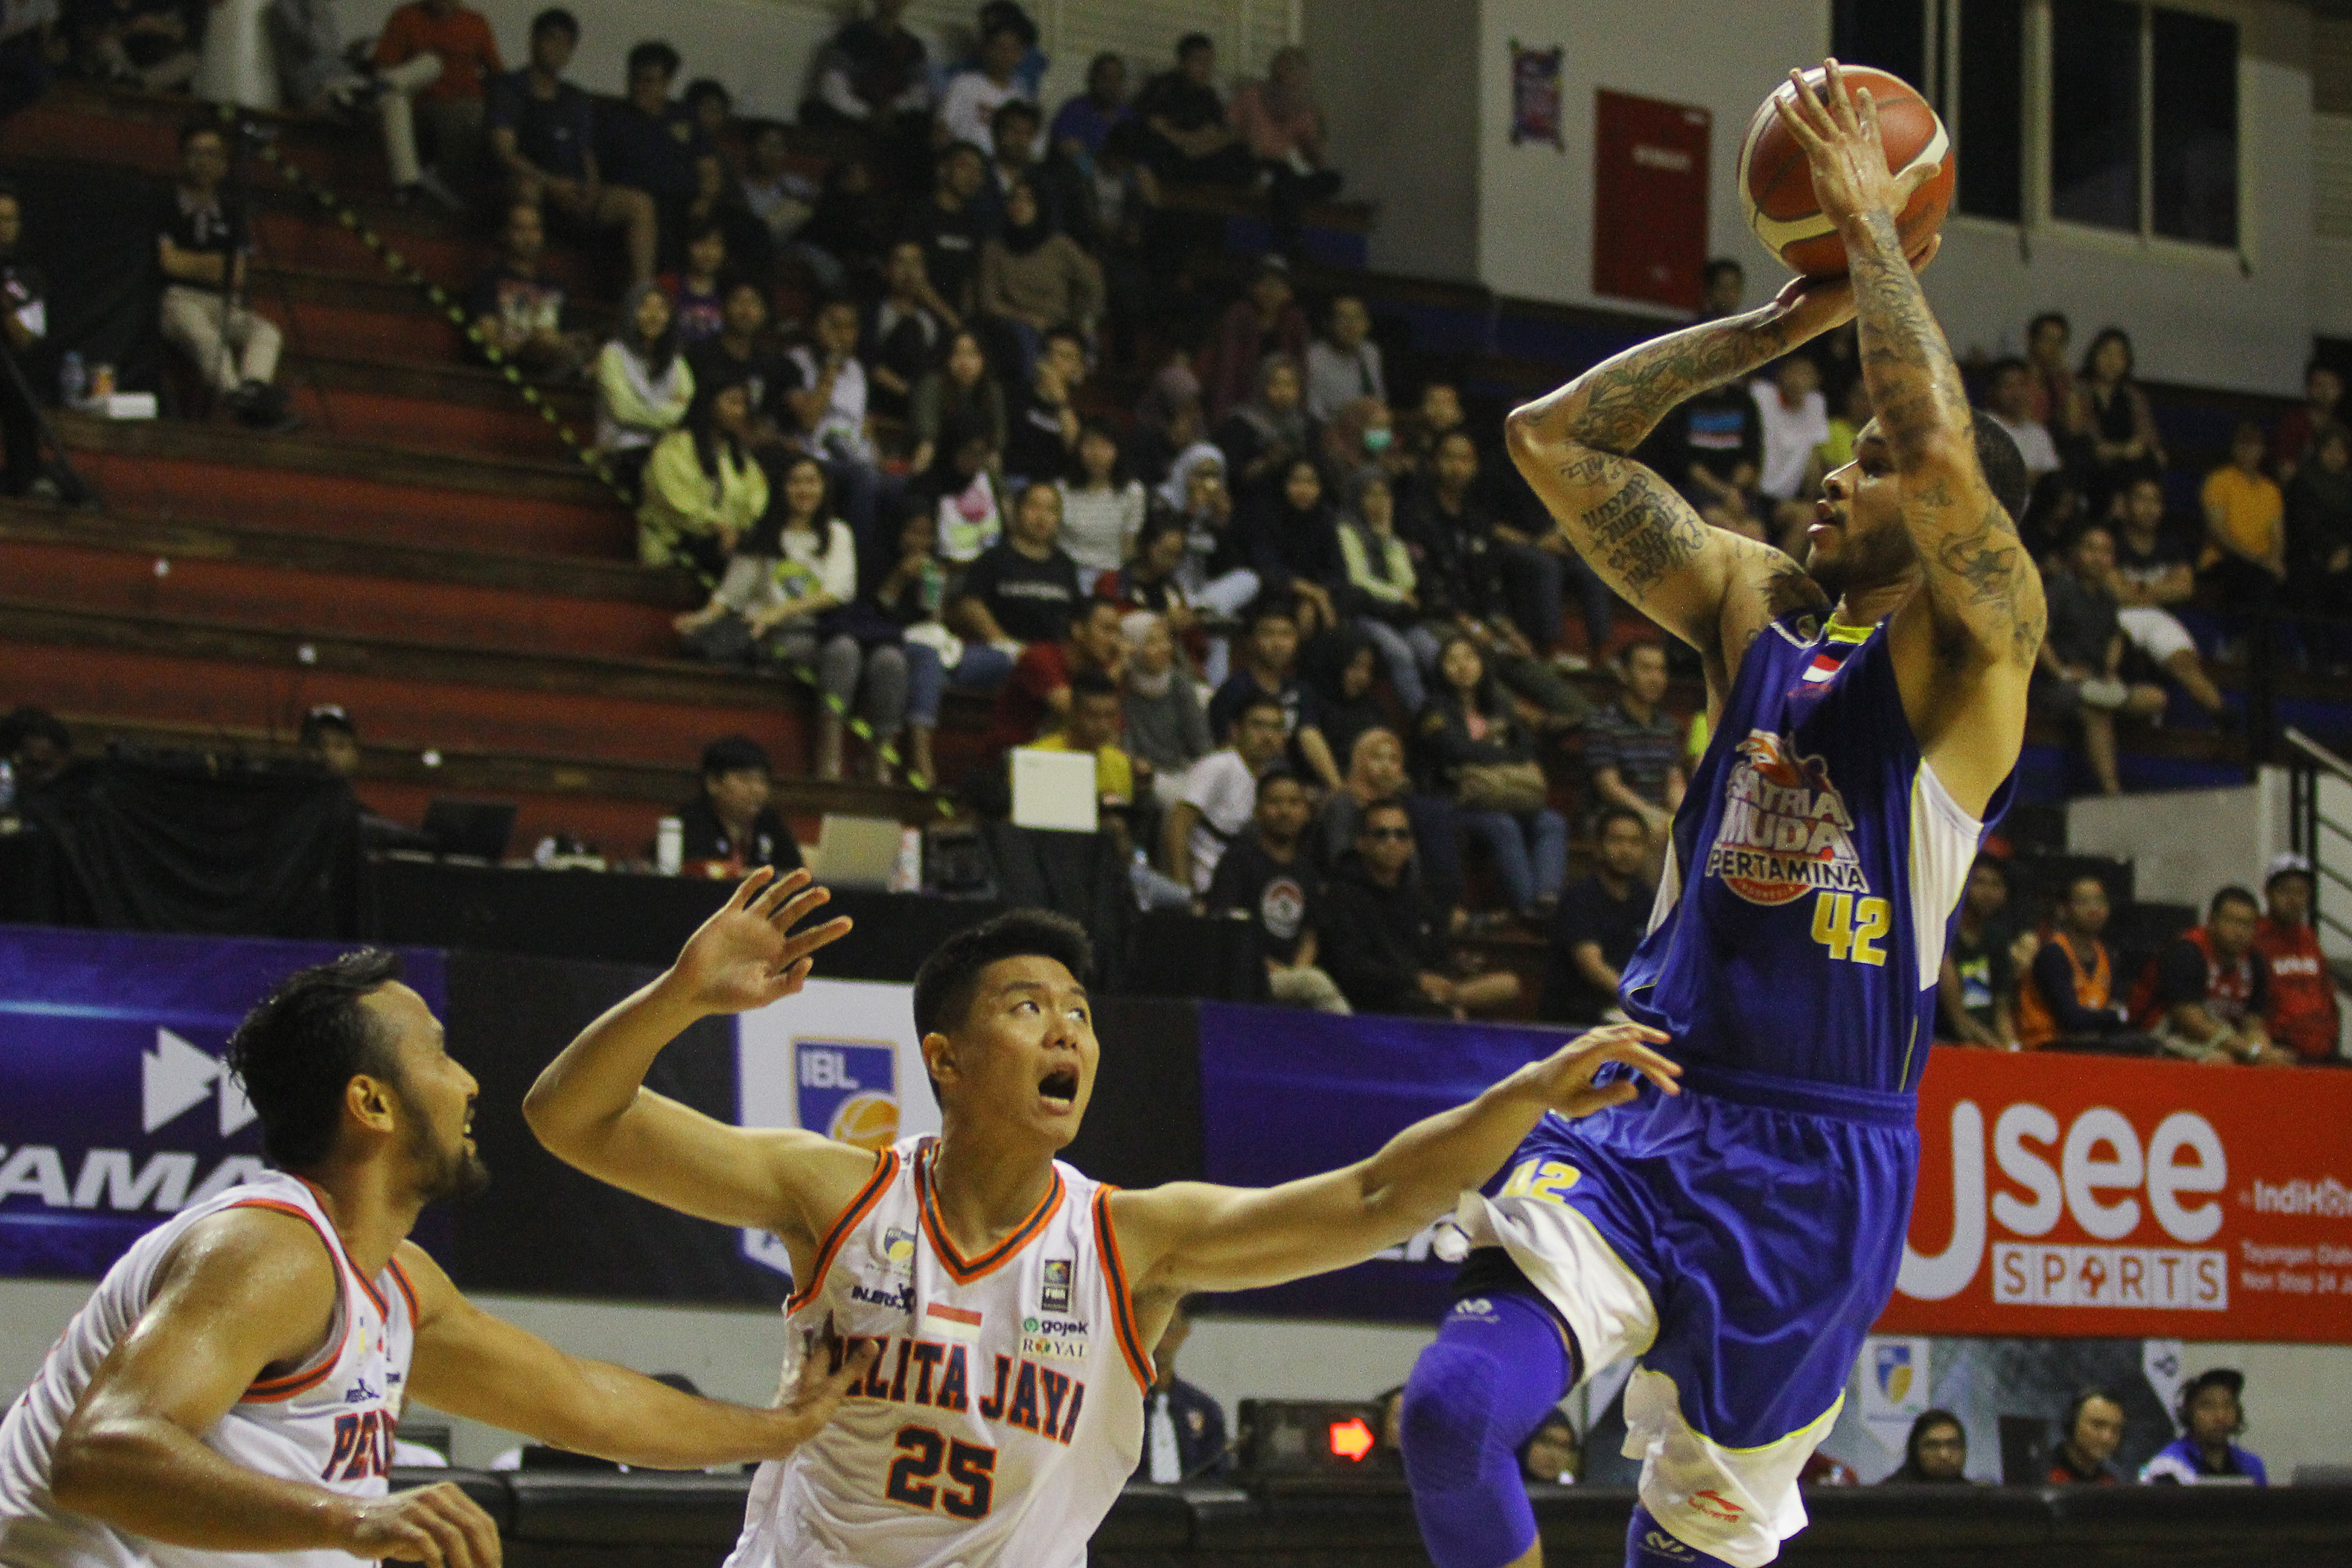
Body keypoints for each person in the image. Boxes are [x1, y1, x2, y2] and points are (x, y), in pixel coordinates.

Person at [1404, 63, 2046, 1568]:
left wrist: (1870, 230)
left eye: (1870, 462)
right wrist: (1778, 321)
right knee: (1446, 1414)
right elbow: (1549, 442)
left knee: (1692, 1544)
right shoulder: (1758, 606)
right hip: (1646, 1093)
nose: (1837, 470)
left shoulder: (1980, 650)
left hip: (1824, 1158)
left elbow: (1946, 452)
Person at [522, 882, 1676, 1565]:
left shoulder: (1133, 1239)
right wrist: (680, 993)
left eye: (1078, 1012)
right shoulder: (832, 1192)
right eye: (1028, 1008)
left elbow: (1374, 1197)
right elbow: (570, 1118)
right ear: (947, 1060)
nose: (1067, 1030)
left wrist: (1516, 1096)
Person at [0, 947, 870, 1568]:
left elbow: (583, 1402)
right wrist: (358, 1518)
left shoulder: (393, 1282)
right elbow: (103, 1453)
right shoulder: (269, 1247)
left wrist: (777, 1428)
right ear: (372, 1101)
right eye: (440, 1053)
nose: (470, 1081)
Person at [487, 8, 657, 286]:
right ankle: (525, 282)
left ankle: (641, 296)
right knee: (526, 186)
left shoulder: (576, 98)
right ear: (533, 41)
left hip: (574, 194)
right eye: (551, 39)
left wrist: (590, 187)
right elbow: (504, 151)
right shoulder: (509, 88)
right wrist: (551, 184)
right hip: (532, 189)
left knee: (640, 203)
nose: (558, 49)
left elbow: (586, 153)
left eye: (566, 44)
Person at [1318, 798, 1520, 1019]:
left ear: (1411, 845)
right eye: (1381, 834)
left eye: (1401, 835)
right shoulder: (1343, 896)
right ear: (1361, 842)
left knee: (1508, 985)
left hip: (1423, 992)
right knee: (1442, 1013)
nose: (1392, 842)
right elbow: (1353, 969)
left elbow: (1436, 956)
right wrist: (1417, 981)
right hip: (1374, 1000)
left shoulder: (1419, 898)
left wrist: (1444, 979)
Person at [157, 122, 293, 433]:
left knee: (267, 332)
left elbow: (237, 275)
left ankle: (253, 390)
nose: (204, 161)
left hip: (223, 301)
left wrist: (195, 262)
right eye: (196, 153)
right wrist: (216, 264)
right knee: (204, 336)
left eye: (213, 154)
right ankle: (237, 398)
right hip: (179, 298)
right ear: (182, 158)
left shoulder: (232, 214)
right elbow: (170, 264)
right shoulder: (165, 204)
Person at [1421, 636, 1567, 924]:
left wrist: (1486, 754)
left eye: (1470, 658)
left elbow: (1525, 748)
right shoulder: (1434, 709)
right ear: (1441, 669)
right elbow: (1454, 752)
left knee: (1552, 822)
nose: (1462, 666)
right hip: (1459, 799)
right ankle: (1528, 908)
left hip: (1505, 794)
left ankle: (1547, 898)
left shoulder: (1497, 706)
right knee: (1504, 825)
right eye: (1453, 659)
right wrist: (1500, 752)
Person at [2036, 523, 2168, 796]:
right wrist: (2062, 672)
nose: (2098, 557)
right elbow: (2038, 639)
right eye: (2091, 548)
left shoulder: (2108, 598)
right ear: (2077, 553)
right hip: (2055, 686)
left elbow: (2114, 638)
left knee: (2154, 698)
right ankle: (2112, 791)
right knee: (2097, 712)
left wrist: (2110, 670)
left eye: (2106, 551)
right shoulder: (2060, 589)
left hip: (2096, 681)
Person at [1205, 767, 1348, 1012]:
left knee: (1311, 981)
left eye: (1294, 803)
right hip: (1246, 976)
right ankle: (1355, 1048)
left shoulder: (1307, 869)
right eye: (1275, 802)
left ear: (1307, 812)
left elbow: (1310, 934)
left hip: (1293, 975)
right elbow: (1229, 931)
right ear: (1257, 810)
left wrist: (1296, 974)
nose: (1284, 811)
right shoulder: (1238, 861)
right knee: (1315, 983)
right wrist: (1277, 971)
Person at [2107, 478, 2229, 721]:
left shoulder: (2171, 544)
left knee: (2185, 662)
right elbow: (2115, 592)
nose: (2149, 508)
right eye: (2142, 499)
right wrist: (2160, 588)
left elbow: (2185, 588)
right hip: (2117, 616)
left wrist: (2138, 590)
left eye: (2155, 501)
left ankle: (2224, 719)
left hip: (2158, 617)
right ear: (2126, 504)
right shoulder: (2113, 540)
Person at [2141, 886, 2298, 1066]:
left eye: (2247, 925)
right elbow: (2191, 1023)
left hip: (2223, 1039)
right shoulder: (2187, 953)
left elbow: (2253, 1023)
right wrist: (2251, 1052)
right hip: (2164, 1035)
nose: (2240, 932)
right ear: (2212, 921)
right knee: (2220, 1063)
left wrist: (2263, 1051)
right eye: (2232, 922)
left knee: (2276, 1065)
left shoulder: (2255, 961)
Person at [597, 41, 721, 266]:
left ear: (667, 83)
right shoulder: (612, 118)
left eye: (650, 81)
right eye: (636, 79)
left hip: (687, 207)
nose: (641, 87)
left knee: (744, 227)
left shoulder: (685, 118)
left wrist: (705, 200)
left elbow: (709, 170)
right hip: (642, 204)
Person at [367, 0, 499, 210]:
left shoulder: (476, 23)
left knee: (476, 118)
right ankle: (424, 185)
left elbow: (498, 76)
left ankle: (449, 189)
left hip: (470, 104)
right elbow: (384, 66)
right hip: (422, 106)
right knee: (429, 66)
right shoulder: (406, 17)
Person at [637, 372, 764, 577]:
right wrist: (719, 527)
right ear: (709, 403)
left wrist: (739, 532)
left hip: (727, 543)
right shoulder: (674, 448)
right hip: (677, 543)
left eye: (743, 404)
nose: (740, 411)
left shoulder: (739, 457)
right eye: (732, 402)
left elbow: (756, 501)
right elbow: (676, 502)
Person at [1207, 600, 1341, 790]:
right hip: (1246, 782)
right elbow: (1225, 749)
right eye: (1268, 634)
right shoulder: (1235, 689)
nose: (1278, 643)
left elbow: (1309, 736)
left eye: (1286, 635)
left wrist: (1338, 788)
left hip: (1289, 781)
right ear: (1251, 641)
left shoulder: (1298, 690)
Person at [978, 180, 1104, 382]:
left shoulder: (1060, 245)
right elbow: (989, 302)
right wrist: (1029, 318)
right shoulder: (994, 249)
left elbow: (1093, 283)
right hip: (1019, 325)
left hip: (1061, 323)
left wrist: (1085, 319)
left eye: (1028, 200)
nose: (1020, 205)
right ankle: (1031, 393)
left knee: (1080, 340)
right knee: (1023, 336)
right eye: (1015, 199)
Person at [1539, 807, 1652, 1025]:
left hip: (1624, 1012)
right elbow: (1593, 967)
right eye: (1617, 841)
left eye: (1635, 843)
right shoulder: (1580, 898)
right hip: (1574, 1018)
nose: (1626, 850)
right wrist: (1638, 1001)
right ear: (1598, 848)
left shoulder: (1645, 897)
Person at [1167, 691, 1288, 894]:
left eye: (1275, 728)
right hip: (1207, 888)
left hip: (1247, 889)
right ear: (1235, 730)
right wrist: (1185, 895)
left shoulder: (1274, 778)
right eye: (1258, 726)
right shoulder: (1219, 766)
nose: (1267, 736)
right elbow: (1177, 829)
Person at [954, 480, 1084, 667]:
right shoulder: (994, 559)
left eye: (1051, 510)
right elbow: (970, 604)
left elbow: (1077, 616)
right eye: (1034, 507)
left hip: (1052, 660)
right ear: (1017, 512)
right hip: (1001, 655)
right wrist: (1005, 644)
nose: (1042, 517)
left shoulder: (1065, 565)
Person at [1339, 470, 1438, 713]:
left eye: (1384, 496)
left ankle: (1453, 715)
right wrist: (1397, 595)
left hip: (1397, 614)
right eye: (1371, 496)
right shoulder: (1346, 530)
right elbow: (1358, 579)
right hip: (1363, 612)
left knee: (1433, 652)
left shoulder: (1390, 534)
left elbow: (1407, 583)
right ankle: (1423, 717)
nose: (1379, 502)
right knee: (1399, 652)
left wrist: (1387, 539)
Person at [982, 593, 1125, 758]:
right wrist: (1116, 671)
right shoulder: (1041, 657)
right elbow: (1075, 711)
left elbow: (1112, 730)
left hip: (1068, 761)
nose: (1115, 641)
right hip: (1014, 759)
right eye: (1107, 630)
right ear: (1077, 629)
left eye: (1118, 633)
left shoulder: (1102, 670)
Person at [2016, 873, 2142, 1051]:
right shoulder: (2053, 955)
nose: (2094, 909)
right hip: (2047, 1046)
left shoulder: (2108, 955)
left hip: (2090, 1043)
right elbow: (2071, 1019)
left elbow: (2121, 1008)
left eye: (2100, 902)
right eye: (2083, 902)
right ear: (2063, 909)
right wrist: (2112, 1017)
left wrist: (2112, 1017)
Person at [467, 200, 590, 379]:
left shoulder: (555, 287)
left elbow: (569, 337)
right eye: (520, 229)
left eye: (534, 229)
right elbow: (488, 338)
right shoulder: (489, 282)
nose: (529, 236)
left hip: (555, 372)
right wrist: (529, 345)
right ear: (505, 234)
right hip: (509, 374)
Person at [597, 282, 693, 496]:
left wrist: (649, 416)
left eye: (661, 309)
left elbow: (685, 411)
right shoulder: (613, 354)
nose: (654, 316)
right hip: (621, 450)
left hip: (668, 452)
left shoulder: (677, 363)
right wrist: (666, 417)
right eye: (645, 307)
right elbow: (623, 412)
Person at [1583, 643, 1684, 847]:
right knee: (1658, 832)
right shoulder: (1603, 723)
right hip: (1612, 815)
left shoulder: (1668, 726)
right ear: (1624, 674)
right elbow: (1609, 787)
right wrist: (1653, 814)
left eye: (1661, 670)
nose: (1655, 678)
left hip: (1658, 814)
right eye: (1646, 669)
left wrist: (1683, 817)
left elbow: (1674, 783)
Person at [1134, 32, 1254, 189]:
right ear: (1183, 63)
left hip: (1200, 155)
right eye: (1199, 62)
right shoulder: (1162, 88)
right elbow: (1154, 127)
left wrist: (1197, 144)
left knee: (1245, 154)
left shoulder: (1208, 96)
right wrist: (1189, 141)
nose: (1205, 69)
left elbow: (1220, 133)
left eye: (1209, 63)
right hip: (1171, 158)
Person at [1121, 610, 1211, 809]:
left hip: (1181, 771)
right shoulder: (1123, 686)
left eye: (1165, 641)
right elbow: (1124, 744)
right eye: (1152, 643)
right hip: (1141, 776)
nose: (1164, 649)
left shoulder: (1179, 683)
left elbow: (1201, 743)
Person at [2255, 853, 2340, 1063]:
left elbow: (2326, 994)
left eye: (2301, 892)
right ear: (2268, 892)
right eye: (2285, 891)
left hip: (2321, 1051)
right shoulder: (2255, 939)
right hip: (2279, 1052)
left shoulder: (2309, 939)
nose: (2293, 900)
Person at [1204, 260, 1311, 426]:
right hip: (1243, 407)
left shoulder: (1294, 321)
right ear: (1253, 287)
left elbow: (1301, 370)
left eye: (1278, 285)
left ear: (1289, 292)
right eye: (1265, 283)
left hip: (1283, 407)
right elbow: (1226, 373)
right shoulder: (1239, 316)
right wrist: (1222, 421)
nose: (1271, 291)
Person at [1244, 456, 1344, 633]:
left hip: (1320, 596)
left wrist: (1314, 598)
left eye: (1311, 482)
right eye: (1296, 481)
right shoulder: (1268, 516)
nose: (1303, 490)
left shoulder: (1325, 518)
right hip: (1277, 593)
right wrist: (1310, 593)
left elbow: (1337, 572)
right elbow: (1265, 566)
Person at [1131, 1300, 1227, 1483]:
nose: (1159, 1338)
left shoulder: (1206, 1410)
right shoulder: (1119, 1405)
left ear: (1185, 1332)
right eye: (1152, 1327)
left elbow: (1217, 1479)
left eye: (1168, 1328)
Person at [676, 734, 805, 870]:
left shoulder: (770, 823)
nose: (757, 790)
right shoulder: (689, 823)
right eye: (745, 779)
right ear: (713, 783)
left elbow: (795, 873)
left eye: (762, 780)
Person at [2199, 418, 2286, 613]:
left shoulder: (2271, 490)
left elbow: (2278, 538)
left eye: (2254, 445)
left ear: (2263, 450)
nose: (2248, 450)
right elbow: (2218, 533)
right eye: (2243, 444)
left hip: (2262, 564)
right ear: (2234, 448)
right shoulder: (2218, 481)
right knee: (2258, 580)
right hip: (2224, 560)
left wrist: (2273, 561)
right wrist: (2257, 561)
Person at [1937, 857, 2025, 1048]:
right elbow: (1958, 1018)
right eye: (1980, 883)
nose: (1989, 892)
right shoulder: (1945, 934)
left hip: (1989, 1043)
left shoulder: (1997, 938)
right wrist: (1998, 1052)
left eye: (1996, 885)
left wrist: (2013, 1050)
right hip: (1949, 1041)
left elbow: (2002, 1010)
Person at [2076, 326, 2164, 516]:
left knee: (2148, 462)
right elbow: (2088, 440)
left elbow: (2148, 436)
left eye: (2119, 355)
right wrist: (2122, 451)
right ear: (2094, 355)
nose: (2112, 361)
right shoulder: (2080, 392)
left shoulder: (2133, 396)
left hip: (2131, 466)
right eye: (2107, 353)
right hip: (2095, 465)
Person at [904, 142, 993, 322]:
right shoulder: (919, 214)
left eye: (979, 170)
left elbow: (973, 279)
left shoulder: (976, 223)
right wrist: (954, 322)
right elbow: (912, 278)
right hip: (917, 309)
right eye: (965, 166)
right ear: (943, 170)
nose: (973, 176)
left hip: (958, 317)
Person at [2286, 422, 2352, 663]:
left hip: (2346, 558)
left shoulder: (2349, 484)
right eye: (2330, 449)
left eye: (2342, 450)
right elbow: (2303, 526)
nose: (2336, 456)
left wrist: (2347, 552)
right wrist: (2330, 553)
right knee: (2308, 590)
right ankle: (2320, 661)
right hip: (2308, 557)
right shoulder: (2303, 482)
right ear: (2319, 450)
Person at [0, 182, 50, 496]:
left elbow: (27, 338)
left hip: (10, 370)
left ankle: (25, 481)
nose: (3, 228)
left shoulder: (29, 277)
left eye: (10, 220)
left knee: (20, 392)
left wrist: (4, 308)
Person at [1751, 354, 1830, 543]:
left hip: (1788, 498)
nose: (1797, 381)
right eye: (1793, 373)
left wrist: (1809, 498)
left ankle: (1787, 572)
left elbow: (1814, 459)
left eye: (1805, 375)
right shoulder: (1761, 395)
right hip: (1757, 493)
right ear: (1781, 374)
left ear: (1816, 379)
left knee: (1808, 516)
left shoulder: (1816, 404)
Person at [1058, 421, 1145, 593]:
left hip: (1110, 576)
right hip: (1065, 573)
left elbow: (1129, 546)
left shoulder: (1132, 492)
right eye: (1090, 445)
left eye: (1106, 446)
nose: (1097, 454)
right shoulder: (1061, 488)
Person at [908, 329, 1005, 479]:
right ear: (947, 358)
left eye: (972, 354)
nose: (965, 361)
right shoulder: (932, 385)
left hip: (975, 474)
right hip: (936, 467)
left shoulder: (992, 392)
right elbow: (927, 444)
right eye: (958, 354)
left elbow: (995, 450)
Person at [2141, 1369, 2266, 1485]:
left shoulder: (2251, 1466)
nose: (2220, 1416)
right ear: (2189, 1413)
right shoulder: (2168, 1466)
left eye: (2228, 1405)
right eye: (2208, 1406)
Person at [934, 12, 1033, 156]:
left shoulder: (1021, 98)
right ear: (987, 49)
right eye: (999, 47)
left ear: (1020, 55)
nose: (1004, 55)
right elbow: (941, 131)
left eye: (1011, 49)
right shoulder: (964, 84)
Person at [1003, 328, 1088, 487]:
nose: (1056, 361)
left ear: (1079, 368)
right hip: (1017, 481)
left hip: (1058, 485)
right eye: (1051, 353)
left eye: (1066, 357)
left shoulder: (1081, 409)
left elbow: (1077, 454)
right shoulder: (1015, 396)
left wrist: (1060, 399)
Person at [1977, 357, 2062, 487]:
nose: (2016, 392)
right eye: (2008, 385)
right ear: (1993, 390)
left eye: (2021, 384)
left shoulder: (2038, 432)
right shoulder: (1984, 427)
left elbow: (2053, 474)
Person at [1051, 50, 1131, 163]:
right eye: (1106, 78)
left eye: (1117, 78)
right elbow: (1067, 146)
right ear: (1093, 80)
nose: (1111, 84)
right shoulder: (1075, 110)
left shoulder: (1128, 117)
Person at [2271, 359, 2343, 483]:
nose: (2325, 392)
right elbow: (2285, 469)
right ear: (2309, 387)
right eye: (2319, 385)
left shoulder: (2341, 430)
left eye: (2331, 386)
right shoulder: (2293, 424)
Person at [661, 221, 730, 346]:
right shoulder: (668, 285)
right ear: (688, 246)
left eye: (715, 244)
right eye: (701, 243)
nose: (708, 251)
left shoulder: (730, 292)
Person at [2047, 1390, 2126, 1486]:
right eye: (2097, 1425)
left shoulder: (2109, 1483)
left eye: (2116, 1430)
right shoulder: (2044, 1476)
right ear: (2072, 1424)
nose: (2107, 1438)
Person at [1880, 1411, 1971, 1484]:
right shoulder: (1886, 1497)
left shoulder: (1976, 1498)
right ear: (1915, 1451)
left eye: (1953, 1445)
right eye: (1932, 1446)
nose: (1944, 1455)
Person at [1518, 1410, 1580, 1488]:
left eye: (1563, 1447)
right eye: (1545, 1443)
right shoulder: (1502, 1492)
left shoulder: (1573, 1497)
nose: (1554, 1456)